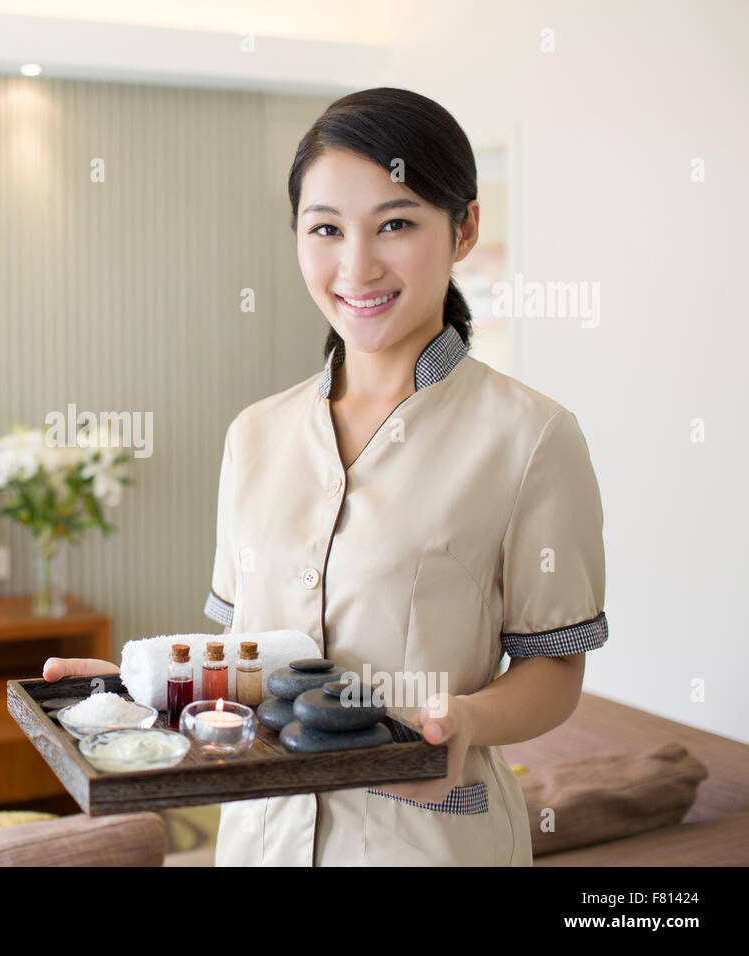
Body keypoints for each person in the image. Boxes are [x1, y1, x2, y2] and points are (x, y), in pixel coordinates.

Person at [43, 87, 607, 866]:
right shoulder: (255, 435)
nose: (357, 265)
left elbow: (555, 668)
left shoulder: (532, 437)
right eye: (326, 230)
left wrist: (468, 721)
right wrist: (140, 689)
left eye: (396, 223)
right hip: (259, 841)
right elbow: (246, 656)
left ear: (464, 227)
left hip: (428, 841)